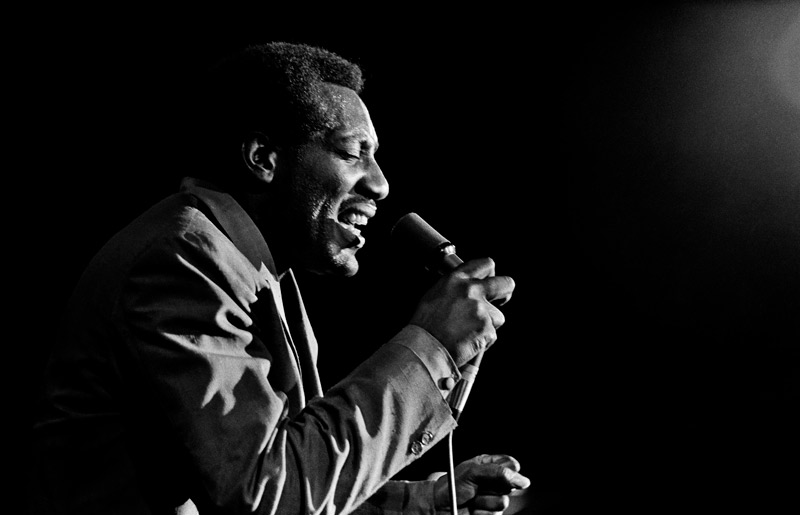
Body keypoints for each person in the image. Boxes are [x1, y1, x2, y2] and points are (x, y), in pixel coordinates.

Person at [29, 41, 529, 514]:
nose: (380, 183)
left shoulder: (253, 266)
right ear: (264, 159)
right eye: (353, 152)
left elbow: (289, 469)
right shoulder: (179, 261)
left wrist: (425, 500)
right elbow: (268, 494)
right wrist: (431, 347)